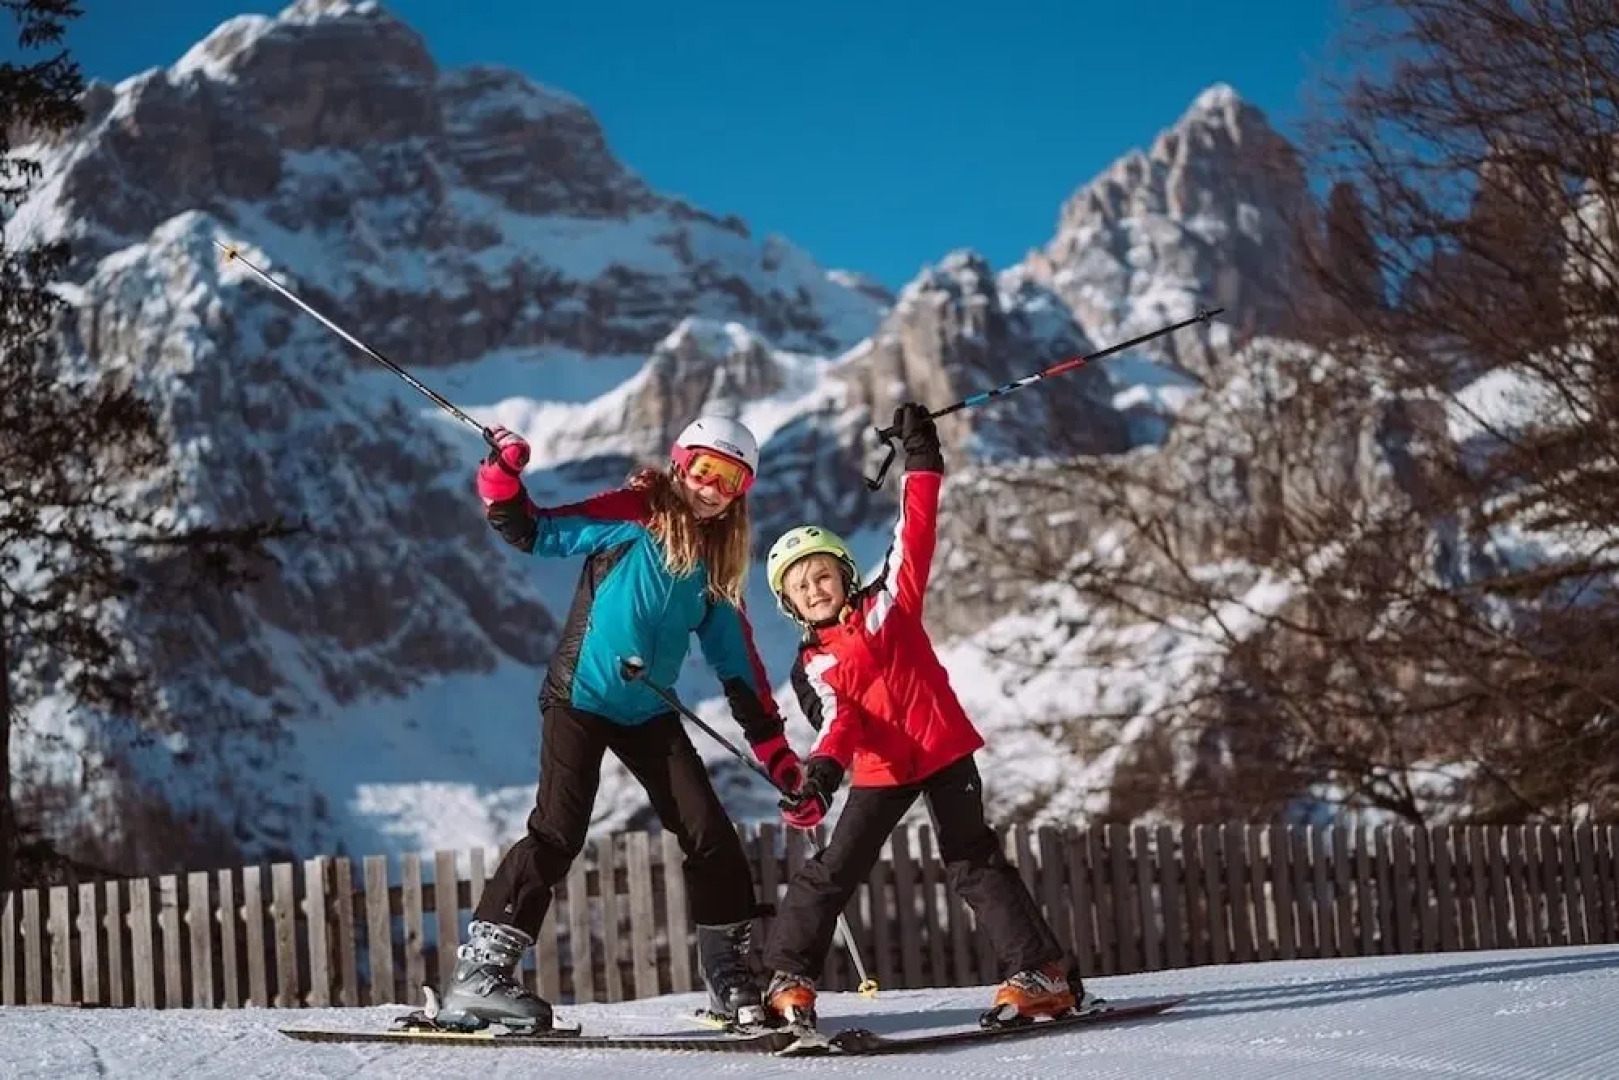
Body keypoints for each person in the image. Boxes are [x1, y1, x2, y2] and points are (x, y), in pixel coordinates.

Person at [438, 416, 806, 1033]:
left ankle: (729, 978)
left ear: (742, 491)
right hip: (579, 697)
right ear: (679, 462)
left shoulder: (714, 566)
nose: (712, 486)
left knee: (710, 834)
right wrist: (502, 472)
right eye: (705, 468)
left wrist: (776, 752)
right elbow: (531, 530)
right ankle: (480, 975)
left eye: (731, 478)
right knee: (557, 830)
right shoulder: (634, 513)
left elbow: (737, 663)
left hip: (648, 709)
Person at [755, 403, 1103, 1029]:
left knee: (973, 861)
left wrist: (922, 457)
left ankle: (1042, 974)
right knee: (832, 870)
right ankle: (788, 980)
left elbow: (914, 530)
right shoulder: (814, 664)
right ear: (789, 604)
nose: (814, 588)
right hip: (881, 768)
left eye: (822, 574)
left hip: (941, 748)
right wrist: (821, 778)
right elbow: (840, 723)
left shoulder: (890, 604)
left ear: (845, 574)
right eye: (799, 585)